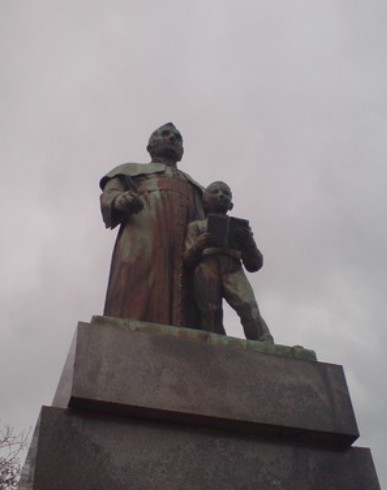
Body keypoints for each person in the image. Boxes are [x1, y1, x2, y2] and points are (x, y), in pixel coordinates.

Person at [100, 123, 204, 327]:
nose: (172, 138)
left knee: (188, 302)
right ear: (149, 147)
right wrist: (120, 200)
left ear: (182, 152)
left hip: (186, 247)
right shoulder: (131, 171)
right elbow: (108, 196)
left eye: (177, 137)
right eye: (165, 134)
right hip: (142, 239)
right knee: (136, 292)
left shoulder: (196, 188)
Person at [183, 181, 273, 342]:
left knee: (248, 306)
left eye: (225, 193)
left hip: (233, 268)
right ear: (205, 202)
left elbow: (255, 264)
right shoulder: (195, 226)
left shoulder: (240, 228)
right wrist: (199, 245)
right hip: (206, 267)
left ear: (231, 204)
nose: (220, 195)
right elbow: (187, 259)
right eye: (215, 192)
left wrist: (248, 243)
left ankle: (263, 341)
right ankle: (215, 347)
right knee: (211, 311)